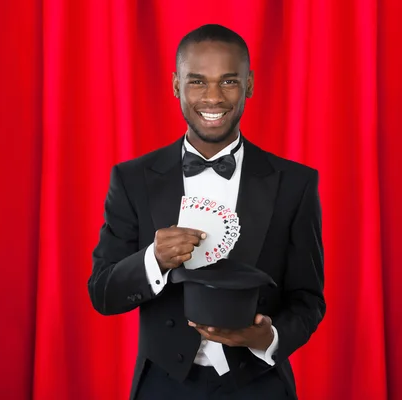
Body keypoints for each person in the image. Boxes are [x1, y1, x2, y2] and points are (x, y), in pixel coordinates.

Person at [88, 24, 325, 400]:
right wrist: (154, 261)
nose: (213, 97)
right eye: (197, 82)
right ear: (175, 85)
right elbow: (102, 293)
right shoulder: (132, 179)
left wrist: (269, 336)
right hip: (162, 385)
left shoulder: (294, 184)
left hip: (259, 385)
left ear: (248, 84)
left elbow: (308, 299)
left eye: (228, 82)